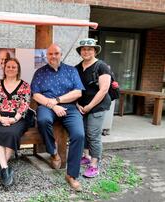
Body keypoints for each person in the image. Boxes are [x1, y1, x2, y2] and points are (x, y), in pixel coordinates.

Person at [31, 44, 85, 191]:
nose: (53, 56)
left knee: (79, 135)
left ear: (61, 54)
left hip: (69, 107)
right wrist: (53, 105)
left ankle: (71, 175)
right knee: (42, 120)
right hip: (47, 106)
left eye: (56, 53)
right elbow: (35, 94)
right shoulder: (40, 72)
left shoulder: (71, 70)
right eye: (50, 54)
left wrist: (58, 101)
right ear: (46, 56)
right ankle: (53, 153)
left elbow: (78, 93)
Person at [0, 58, 31, 186]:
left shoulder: (25, 85)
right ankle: (5, 168)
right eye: (8, 66)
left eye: (14, 67)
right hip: (0, 116)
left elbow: (25, 105)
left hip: (18, 117)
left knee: (12, 133)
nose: (11, 69)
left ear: (18, 69)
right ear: (4, 68)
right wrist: (0, 118)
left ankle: (3, 166)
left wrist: (13, 119)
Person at [75, 38, 111, 178]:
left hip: (97, 106)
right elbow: (75, 88)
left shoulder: (101, 66)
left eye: (89, 49)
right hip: (81, 106)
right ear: (80, 52)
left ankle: (94, 164)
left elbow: (104, 90)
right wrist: (77, 104)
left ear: (95, 51)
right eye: (83, 49)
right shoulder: (77, 67)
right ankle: (86, 156)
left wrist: (89, 106)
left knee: (93, 134)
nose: (86, 51)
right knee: (83, 132)